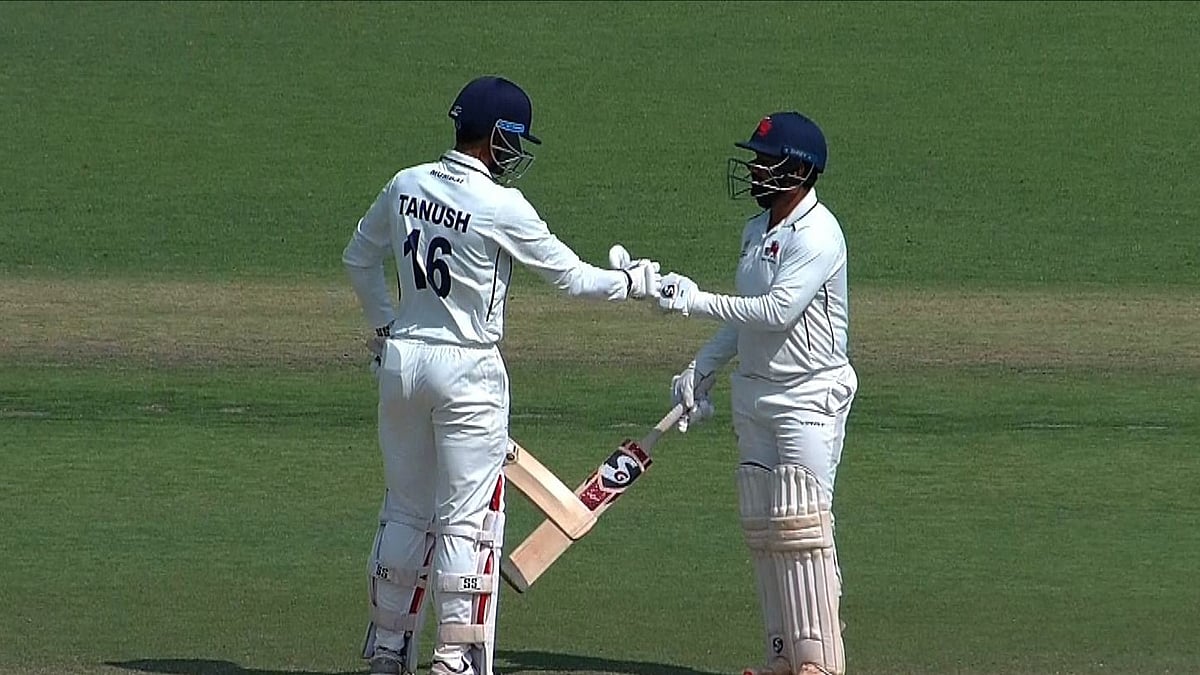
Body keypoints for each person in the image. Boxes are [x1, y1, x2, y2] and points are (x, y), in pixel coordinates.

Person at [342, 75, 660, 675]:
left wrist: (387, 328)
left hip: (404, 361)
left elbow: (357, 257)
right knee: (466, 520)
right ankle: (452, 657)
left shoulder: (405, 183)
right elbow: (573, 278)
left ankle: (387, 653)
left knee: (407, 512)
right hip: (467, 371)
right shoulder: (500, 205)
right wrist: (636, 283)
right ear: (497, 137)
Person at [656, 112, 858, 675]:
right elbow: (744, 324)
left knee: (805, 527)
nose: (754, 169)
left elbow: (775, 313)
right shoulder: (756, 228)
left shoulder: (819, 234)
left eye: (766, 161)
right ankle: (781, 657)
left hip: (808, 398)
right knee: (764, 528)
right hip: (755, 395)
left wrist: (692, 299)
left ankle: (819, 664)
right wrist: (702, 366)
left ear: (799, 171)